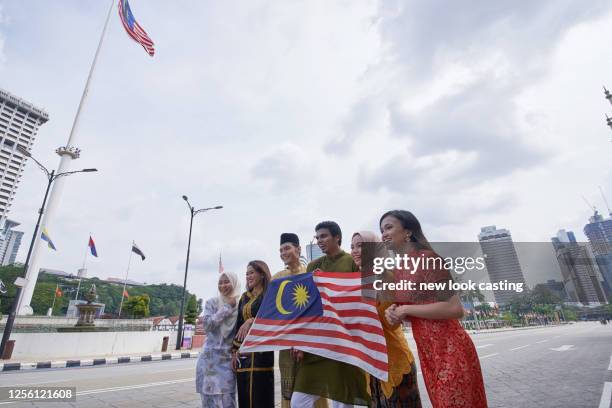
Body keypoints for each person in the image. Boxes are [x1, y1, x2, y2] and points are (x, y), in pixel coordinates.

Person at [380, 210, 487, 408]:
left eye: (389, 227)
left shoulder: (429, 258)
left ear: (408, 232)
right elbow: (412, 312)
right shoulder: (399, 270)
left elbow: (454, 308)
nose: (383, 234)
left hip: (451, 349)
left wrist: (406, 311)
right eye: (382, 230)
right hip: (428, 355)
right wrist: (394, 313)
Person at [291, 221, 370, 408]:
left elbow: (360, 301)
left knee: (342, 401)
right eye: (317, 237)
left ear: (337, 238)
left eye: (324, 236)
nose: (319, 240)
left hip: (344, 342)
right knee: (299, 401)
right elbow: (306, 306)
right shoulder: (312, 266)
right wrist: (300, 340)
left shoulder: (351, 262)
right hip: (317, 343)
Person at [350, 231, 422, 408]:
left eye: (360, 246)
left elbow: (393, 321)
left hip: (395, 361)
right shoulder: (355, 283)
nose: (355, 251)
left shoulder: (388, 277)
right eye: (352, 247)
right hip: (371, 367)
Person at [272, 233, 328, 408]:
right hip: (287, 344)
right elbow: (273, 312)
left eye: (287, 248)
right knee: (289, 388)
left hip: (311, 343)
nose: (283, 252)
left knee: (315, 389)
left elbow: (318, 310)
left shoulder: (311, 273)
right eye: (281, 250)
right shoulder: (277, 278)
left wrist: (304, 341)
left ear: (298, 249)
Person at [232, 260, 275, 408]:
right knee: (244, 397)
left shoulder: (270, 295)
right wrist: (234, 351)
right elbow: (238, 324)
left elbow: (273, 319)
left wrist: (252, 320)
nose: (248, 276)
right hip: (243, 356)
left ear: (262, 274)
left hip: (261, 355)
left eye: (251, 272)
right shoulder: (244, 297)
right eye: (246, 274)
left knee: (260, 398)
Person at [196, 271, 241, 408]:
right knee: (209, 401)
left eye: (227, 281)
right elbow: (208, 325)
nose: (223, 285)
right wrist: (227, 308)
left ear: (234, 283)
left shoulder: (241, 305)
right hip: (209, 361)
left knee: (227, 400)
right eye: (220, 283)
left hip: (228, 360)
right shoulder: (212, 303)